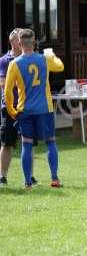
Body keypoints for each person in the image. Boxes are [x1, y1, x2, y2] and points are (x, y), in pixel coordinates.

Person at [4, 29, 64, 189]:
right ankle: (54, 178)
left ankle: (28, 183)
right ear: (34, 41)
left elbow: (7, 91)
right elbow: (60, 66)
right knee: (50, 142)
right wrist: (52, 55)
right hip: (45, 108)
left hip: (25, 110)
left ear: (19, 43)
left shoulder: (14, 64)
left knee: (27, 144)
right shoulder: (45, 59)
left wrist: (12, 111)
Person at [0, 29, 37, 186]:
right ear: (12, 42)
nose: (22, 42)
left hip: (27, 108)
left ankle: (30, 177)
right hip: (9, 108)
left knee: (28, 142)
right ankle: (2, 176)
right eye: (19, 39)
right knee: (6, 143)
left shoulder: (30, 59)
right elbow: (2, 84)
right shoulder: (4, 60)